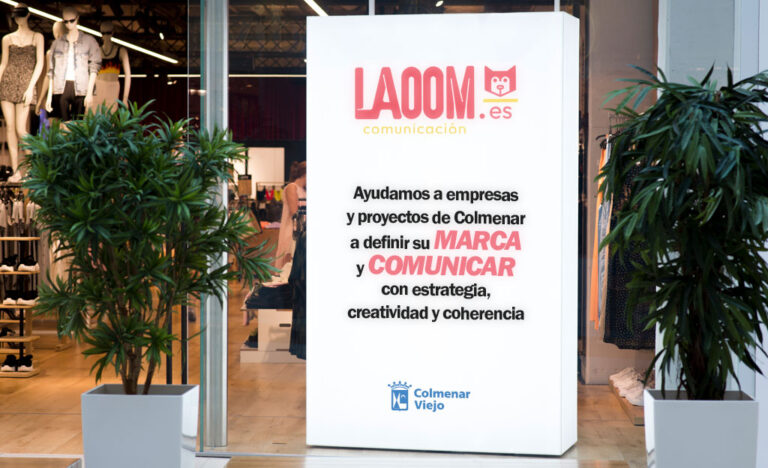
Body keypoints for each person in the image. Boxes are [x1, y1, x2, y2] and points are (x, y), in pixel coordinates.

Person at [0, 4, 44, 181]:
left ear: (28, 15)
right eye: (16, 16)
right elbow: (4, 63)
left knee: (20, 129)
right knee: (10, 128)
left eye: (21, 15)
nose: (18, 19)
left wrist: (31, 87)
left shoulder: (37, 37)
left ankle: (34, 168)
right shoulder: (7, 39)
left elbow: (40, 63)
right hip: (8, 83)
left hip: (26, 84)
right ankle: (16, 171)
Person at [45, 6, 101, 121]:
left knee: (78, 124)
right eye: (66, 21)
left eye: (72, 20)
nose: (69, 24)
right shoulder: (57, 44)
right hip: (61, 87)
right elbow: (51, 71)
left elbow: (94, 68)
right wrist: (49, 96)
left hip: (81, 87)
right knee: (63, 124)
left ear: (77, 19)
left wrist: (89, 93)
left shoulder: (89, 41)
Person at [90, 21, 131, 111]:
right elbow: (91, 74)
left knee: (110, 116)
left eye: (108, 33)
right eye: (103, 33)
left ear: (112, 33)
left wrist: (125, 99)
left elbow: (128, 75)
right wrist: (88, 94)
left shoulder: (121, 51)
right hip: (98, 88)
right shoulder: (96, 51)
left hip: (112, 89)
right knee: (94, 116)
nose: (106, 36)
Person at [275, 161, 306, 270]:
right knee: (289, 267)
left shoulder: (304, 190)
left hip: (303, 230)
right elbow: (295, 212)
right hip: (293, 231)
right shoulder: (292, 187)